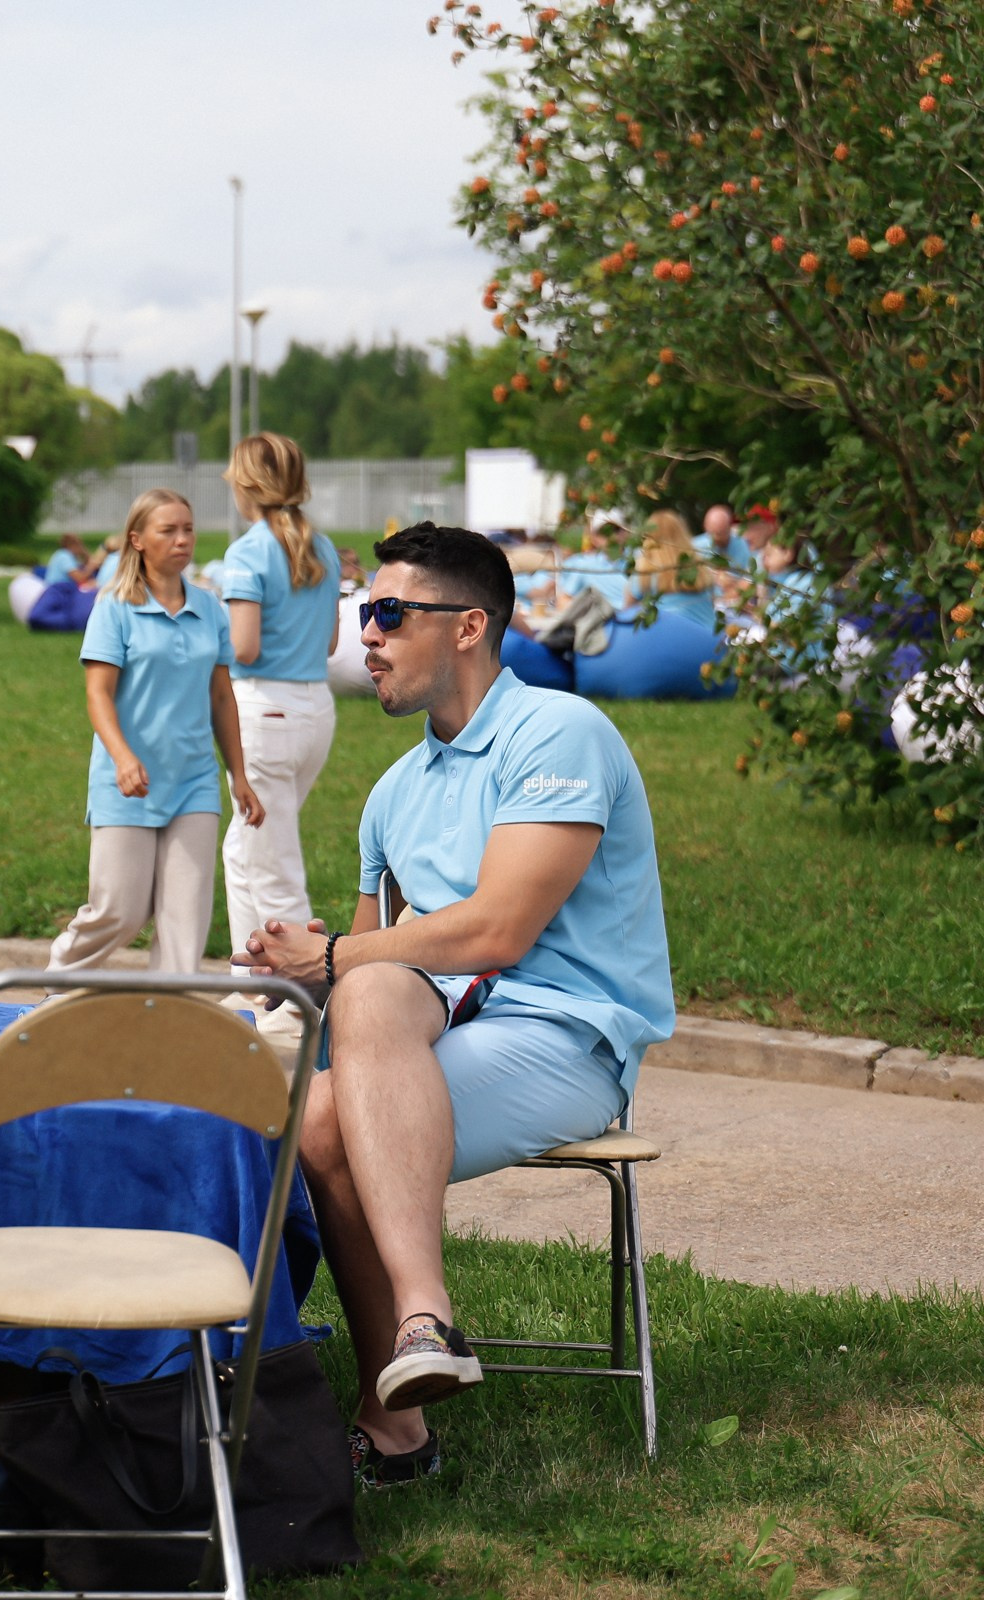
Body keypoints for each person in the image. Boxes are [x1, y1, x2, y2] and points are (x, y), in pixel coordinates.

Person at [235, 522, 673, 1487]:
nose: (368, 640)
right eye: (364, 616)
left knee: (329, 1112)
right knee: (327, 1088)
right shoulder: (393, 791)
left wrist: (344, 954)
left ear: (469, 625)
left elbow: (498, 932)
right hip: (432, 1036)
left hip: (566, 1036)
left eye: (389, 614)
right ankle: (412, 1374)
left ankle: (413, 1348)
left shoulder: (559, 732)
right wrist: (298, 967)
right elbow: (361, 972)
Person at [49, 489, 262, 974]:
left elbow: (222, 698)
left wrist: (239, 776)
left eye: (188, 528)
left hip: (193, 783)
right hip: (127, 781)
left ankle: (170, 1026)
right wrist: (123, 758)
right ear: (138, 539)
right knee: (118, 912)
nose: (183, 539)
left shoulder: (210, 608)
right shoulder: (114, 606)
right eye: (169, 530)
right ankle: (54, 986)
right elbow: (98, 695)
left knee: (184, 927)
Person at [217, 431, 342, 966]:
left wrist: (204, 635)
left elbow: (243, 646)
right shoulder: (325, 548)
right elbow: (332, 643)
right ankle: (255, 990)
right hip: (315, 710)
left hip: (263, 714)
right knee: (243, 853)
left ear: (245, 483)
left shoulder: (246, 552)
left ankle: (299, 1009)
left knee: (274, 869)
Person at [627, 508, 718, 631]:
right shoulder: (700, 568)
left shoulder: (645, 574)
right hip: (710, 641)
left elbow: (627, 613)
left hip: (672, 643)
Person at [527, 511, 630, 608]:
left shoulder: (638, 560)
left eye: (615, 530)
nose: (610, 536)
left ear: (625, 533)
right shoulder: (585, 564)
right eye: (604, 532)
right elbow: (563, 600)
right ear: (594, 537)